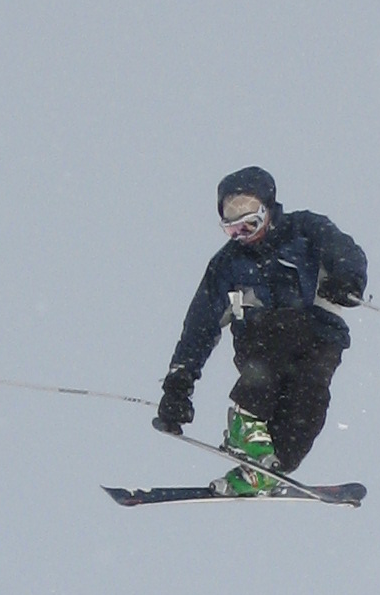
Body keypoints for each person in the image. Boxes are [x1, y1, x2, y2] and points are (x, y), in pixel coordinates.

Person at [153, 167, 368, 492]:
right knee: (284, 330)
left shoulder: (304, 230)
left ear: (268, 208)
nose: (243, 234)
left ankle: (266, 470)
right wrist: (178, 385)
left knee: (309, 404)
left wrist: (348, 279)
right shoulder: (227, 266)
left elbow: (345, 251)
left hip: (320, 339)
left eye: (250, 222)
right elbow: (200, 327)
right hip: (262, 346)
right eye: (233, 227)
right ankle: (246, 422)